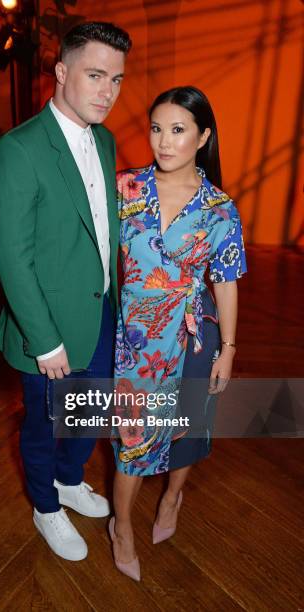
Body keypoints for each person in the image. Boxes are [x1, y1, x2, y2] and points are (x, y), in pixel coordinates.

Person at [0, 22, 132, 562]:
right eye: (96, 75)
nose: (108, 92)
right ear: (62, 72)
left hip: (101, 313)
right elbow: (12, 258)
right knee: (47, 424)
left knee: (90, 414)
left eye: (116, 80)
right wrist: (44, 341)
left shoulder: (107, 139)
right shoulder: (19, 149)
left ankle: (71, 483)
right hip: (46, 327)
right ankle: (45, 506)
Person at [109, 86, 247, 581]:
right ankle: (120, 525)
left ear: (203, 136)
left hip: (194, 336)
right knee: (132, 439)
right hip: (137, 343)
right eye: (156, 129)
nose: (163, 142)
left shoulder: (220, 208)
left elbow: (226, 283)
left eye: (178, 130)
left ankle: (172, 497)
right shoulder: (124, 188)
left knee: (185, 429)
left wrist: (228, 349)